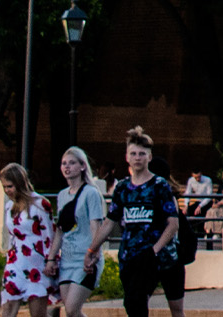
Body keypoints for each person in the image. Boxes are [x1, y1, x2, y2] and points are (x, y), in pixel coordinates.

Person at [85, 128, 180, 317]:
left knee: (136, 300)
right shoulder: (122, 188)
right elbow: (109, 222)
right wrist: (92, 249)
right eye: (133, 154)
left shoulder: (159, 186)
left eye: (142, 154)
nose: (137, 158)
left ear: (149, 157)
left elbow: (173, 224)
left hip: (150, 255)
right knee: (131, 303)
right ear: (127, 157)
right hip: (128, 254)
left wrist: (155, 250)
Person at [46, 146, 105, 317]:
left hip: (85, 258)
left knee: (71, 308)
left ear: (82, 166)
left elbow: (96, 227)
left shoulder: (91, 193)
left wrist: (94, 253)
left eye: (72, 163)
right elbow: (60, 231)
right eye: (64, 163)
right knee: (72, 312)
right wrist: (51, 258)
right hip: (67, 261)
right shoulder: (62, 195)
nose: (67, 167)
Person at [0, 164, 57, 317]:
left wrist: (51, 260)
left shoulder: (39, 204)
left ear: (20, 183)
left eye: (10, 186)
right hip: (16, 262)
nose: (7, 191)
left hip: (37, 264)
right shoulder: (9, 207)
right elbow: (12, 234)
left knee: (38, 313)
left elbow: (49, 235)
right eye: (4, 187)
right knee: (8, 308)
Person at [146, 157, 188, 317]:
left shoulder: (167, 197)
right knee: (138, 304)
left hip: (169, 257)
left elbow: (173, 226)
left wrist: (155, 249)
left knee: (176, 309)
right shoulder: (141, 194)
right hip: (151, 258)